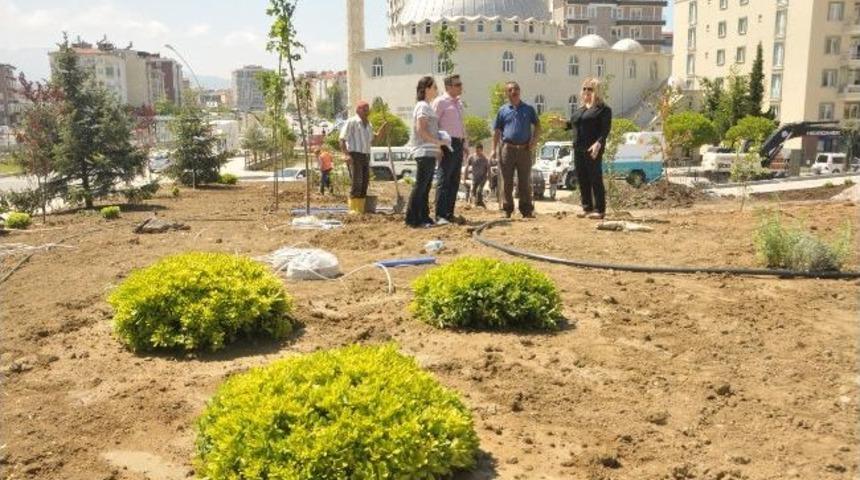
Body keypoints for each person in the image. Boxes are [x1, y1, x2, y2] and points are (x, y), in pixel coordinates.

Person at [561, 78, 612, 219]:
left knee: (595, 178)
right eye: (584, 88)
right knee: (582, 178)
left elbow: (605, 130)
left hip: (593, 149)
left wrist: (598, 143)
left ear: (597, 91)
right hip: (578, 148)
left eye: (590, 88)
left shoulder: (603, 110)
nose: (586, 91)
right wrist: (562, 124)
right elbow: (573, 125)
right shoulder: (581, 110)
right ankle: (587, 207)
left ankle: (599, 210)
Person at [491, 81, 541, 219]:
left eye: (517, 89)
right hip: (507, 149)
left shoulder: (529, 109)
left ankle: (526, 210)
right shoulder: (502, 110)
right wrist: (493, 150)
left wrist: (534, 142)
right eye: (511, 89)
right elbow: (496, 131)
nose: (514, 91)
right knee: (506, 180)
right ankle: (506, 209)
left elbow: (538, 126)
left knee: (524, 180)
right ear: (507, 93)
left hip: (525, 149)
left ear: (520, 91)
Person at [405, 76, 446, 228]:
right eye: (434, 87)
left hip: (429, 151)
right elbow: (420, 129)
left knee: (426, 186)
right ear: (427, 89)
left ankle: (423, 216)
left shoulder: (427, 106)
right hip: (423, 151)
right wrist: (436, 142)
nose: (437, 90)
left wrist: (438, 145)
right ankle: (412, 218)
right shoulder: (422, 106)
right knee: (421, 186)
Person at [339, 100, 388, 214]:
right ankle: (353, 210)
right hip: (354, 155)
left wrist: (383, 129)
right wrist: (346, 154)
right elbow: (342, 139)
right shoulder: (352, 122)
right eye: (364, 109)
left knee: (365, 182)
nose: (367, 111)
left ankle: (360, 210)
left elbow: (374, 140)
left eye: (368, 109)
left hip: (366, 155)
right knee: (357, 182)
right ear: (358, 110)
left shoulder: (369, 125)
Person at [431, 74, 467, 225]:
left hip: (458, 143)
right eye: (457, 84)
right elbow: (433, 124)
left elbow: (461, 125)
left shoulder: (459, 103)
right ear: (448, 87)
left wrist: (465, 144)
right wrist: (437, 146)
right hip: (446, 143)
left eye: (460, 84)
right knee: (444, 179)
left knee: (454, 180)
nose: (460, 86)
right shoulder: (440, 102)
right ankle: (440, 215)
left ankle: (449, 213)